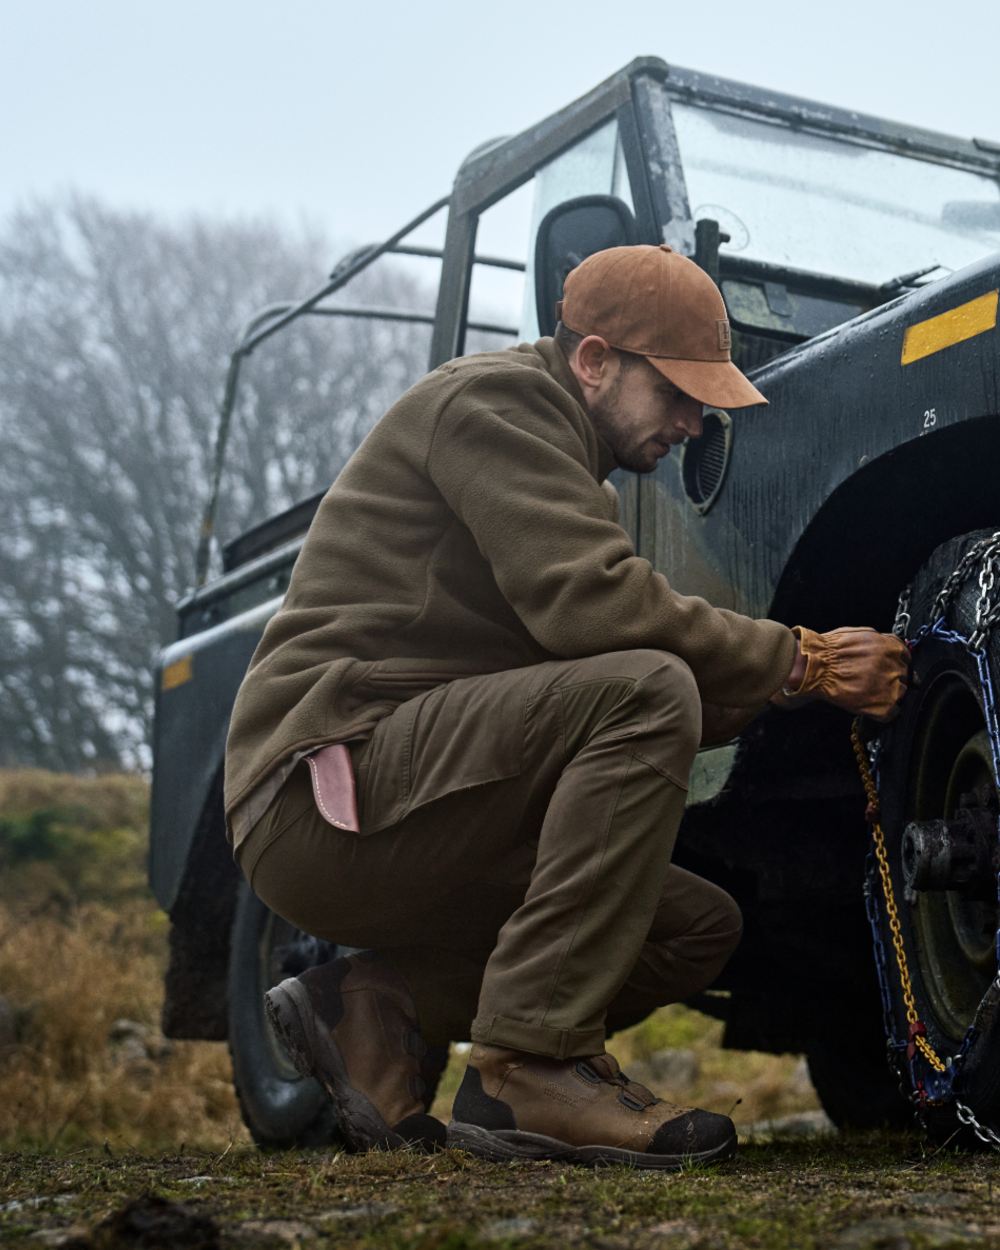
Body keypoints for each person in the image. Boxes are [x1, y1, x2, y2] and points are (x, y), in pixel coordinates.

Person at [224, 244, 909, 1169]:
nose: (695, 422)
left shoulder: (563, 471)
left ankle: (375, 1006)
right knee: (649, 689)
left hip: (427, 789)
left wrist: (788, 688)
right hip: (327, 786)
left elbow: (622, 680)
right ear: (593, 360)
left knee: (695, 927)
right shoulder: (494, 405)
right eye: (677, 391)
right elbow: (600, 614)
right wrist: (803, 660)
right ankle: (531, 1065)